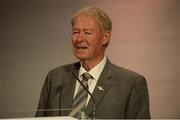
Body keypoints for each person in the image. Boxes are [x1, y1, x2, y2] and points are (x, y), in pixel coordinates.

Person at [36, 6, 151, 119]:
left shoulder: (130, 84)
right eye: (76, 32)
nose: (79, 39)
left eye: (87, 32)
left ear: (105, 37)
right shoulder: (55, 78)